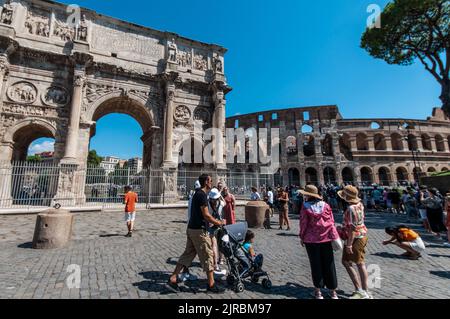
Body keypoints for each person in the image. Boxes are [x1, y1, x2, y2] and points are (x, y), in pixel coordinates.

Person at [167, 174, 226, 294]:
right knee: (208, 255)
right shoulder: (202, 195)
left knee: (187, 255)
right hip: (199, 230)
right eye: (210, 180)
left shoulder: (196, 194)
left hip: (191, 229)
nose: (212, 182)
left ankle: (173, 278)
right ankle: (211, 284)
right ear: (206, 182)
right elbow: (206, 215)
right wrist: (219, 222)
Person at [299, 185, 340, 300]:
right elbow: (331, 222)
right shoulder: (326, 205)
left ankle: (318, 293)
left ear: (307, 195)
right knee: (329, 264)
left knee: (315, 264)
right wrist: (334, 236)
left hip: (311, 240)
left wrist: (302, 237)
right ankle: (333, 293)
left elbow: (303, 224)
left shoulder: (305, 207)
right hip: (326, 238)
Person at [338, 185, 371, 299]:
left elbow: (352, 228)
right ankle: (365, 290)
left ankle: (359, 290)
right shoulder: (360, 204)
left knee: (346, 262)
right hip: (363, 235)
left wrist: (349, 244)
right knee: (360, 263)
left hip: (355, 238)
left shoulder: (350, 209)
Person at [208, 188, 227, 275]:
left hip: (211, 226)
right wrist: (221, 196)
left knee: (214, 245)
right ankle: (220, 260)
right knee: (220, 244)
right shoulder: (221, 203)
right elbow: (225, 202)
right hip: (220, 225)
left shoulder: (208, 204)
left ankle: (215, 264)